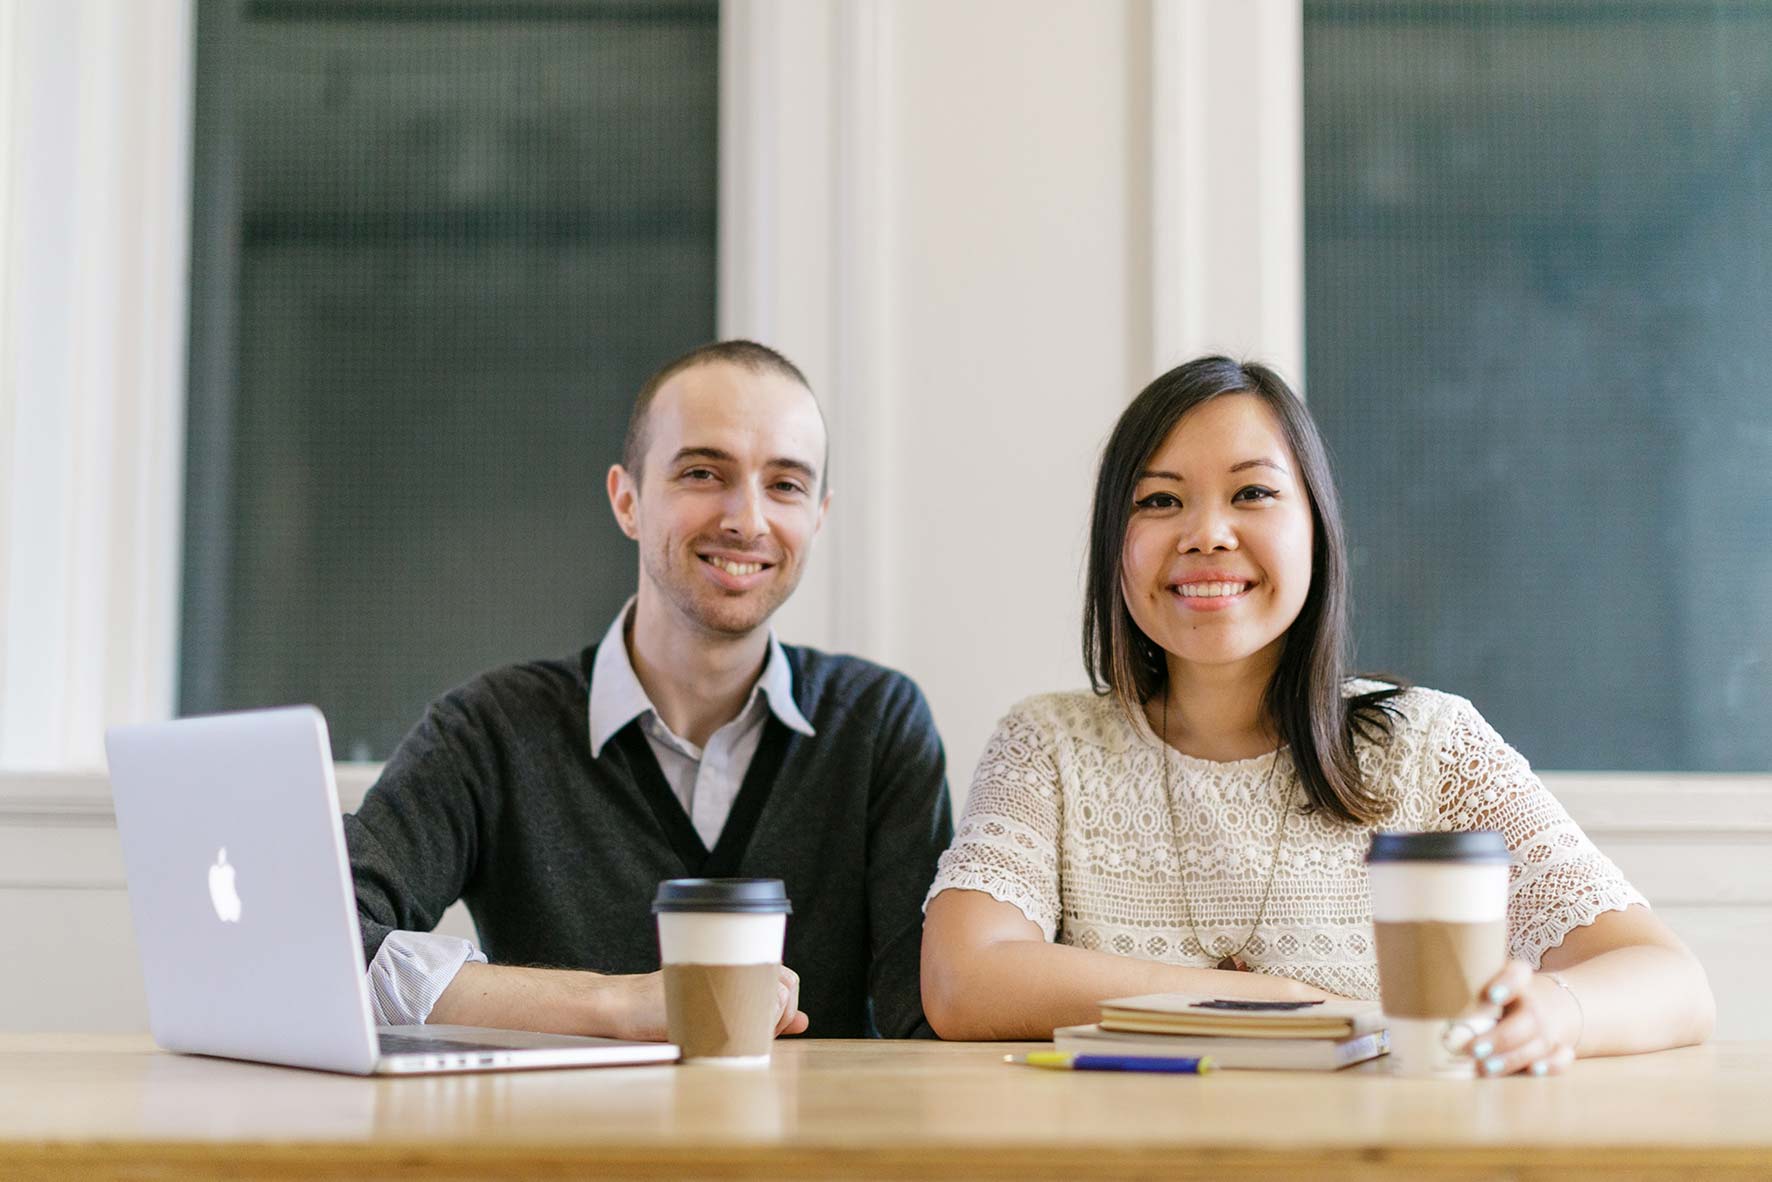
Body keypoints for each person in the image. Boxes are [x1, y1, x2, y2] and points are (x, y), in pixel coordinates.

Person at [920, 355, 1714, 1073]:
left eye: (1253, 493)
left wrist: (1559, 1012)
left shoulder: (1429, 745)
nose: (1206, 533)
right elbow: (963, 979)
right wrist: (1270, 1002)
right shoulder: (1048, 744)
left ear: (1316, 530)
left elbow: (1672, 980)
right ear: (1113, 545)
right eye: (1160, 500)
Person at [346, 339, 952, 1041]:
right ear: (627, 500)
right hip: (568, 1149)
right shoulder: (490, 731)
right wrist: (617, 1007)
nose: (747, 520)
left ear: (817, 516)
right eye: (703, 472)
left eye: (785, 485)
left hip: (807, 1149)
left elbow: (928, 1018)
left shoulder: (879, 727)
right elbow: (321, 935)